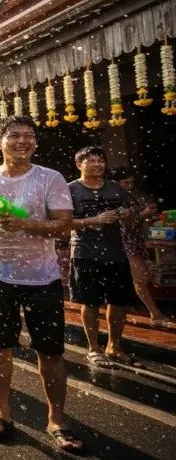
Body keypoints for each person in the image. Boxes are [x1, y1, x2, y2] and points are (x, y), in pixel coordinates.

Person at [0, 115, 83, 453]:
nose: (22, 142)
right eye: (14, 136)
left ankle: (56, 419)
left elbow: (64, 226)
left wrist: (26, 224)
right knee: (0, 345)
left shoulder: (50, 178)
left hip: (42, 277)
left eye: (28, 136)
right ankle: (2, 410)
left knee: (50, 351)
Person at [68, 147, 142, 368]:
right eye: (91, 160)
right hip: (85, 253)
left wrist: (127, 216)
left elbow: (130, 219)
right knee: (90, 302)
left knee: (119, 302)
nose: (98, 164)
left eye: (101, 160)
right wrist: (95, 219)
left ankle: (114, 345)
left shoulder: (116, 188)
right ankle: (93, 348)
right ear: (79, 165)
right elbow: (63, 223)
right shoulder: (70, 189)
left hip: (115, 253)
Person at [111, 167, 174, 328]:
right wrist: (142, 214)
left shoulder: (128, 195)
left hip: (135, 239)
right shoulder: (115, 197)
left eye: (132, 182)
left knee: (143, 277)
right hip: (125, 241)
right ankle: (154, 313)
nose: (130, 185)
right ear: (117, 182)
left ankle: (151, 311)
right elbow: (124, 221)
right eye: (126, 182)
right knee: (140, 279)